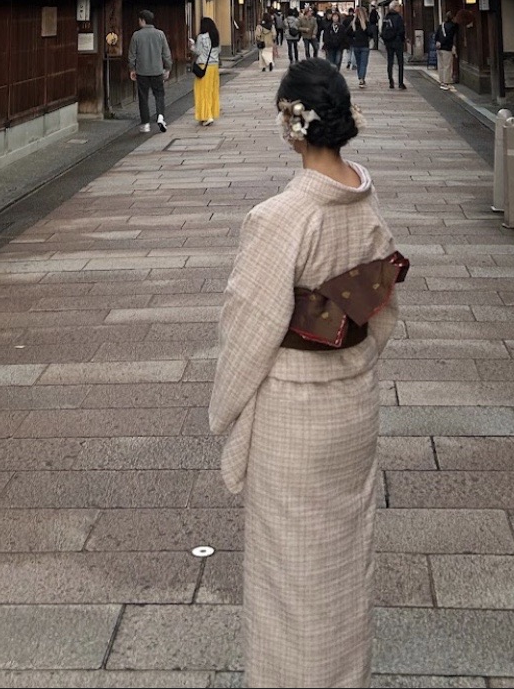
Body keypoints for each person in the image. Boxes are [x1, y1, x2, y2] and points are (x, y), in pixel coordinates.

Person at [209, 58, 403, 689]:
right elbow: (381, 313)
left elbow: (249, 325)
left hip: (294, 416)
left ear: (293, 125)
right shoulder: (365, 204)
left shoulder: (280, 218)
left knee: (288, 570)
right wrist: (356, 361)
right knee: (344, 557)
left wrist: (225, 410)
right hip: (352, 408)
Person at [128, 9, 171, 133]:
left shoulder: (136, 35)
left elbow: (132, 55)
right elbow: (166, 53)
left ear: (142, 20)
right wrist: (167, 67)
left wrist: (132, 68)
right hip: (157, 71)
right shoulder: (160, 34)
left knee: (143, 97)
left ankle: (145, 123)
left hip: (142, 72)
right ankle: (160, 117)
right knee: (159, 95)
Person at [190, 16, 222, 125]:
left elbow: (198, 51)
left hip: (204, 66)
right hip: (214, 66)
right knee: (212, 91)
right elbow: (219, 50)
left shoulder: (201, 37)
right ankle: (212, 113)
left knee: (202, 91)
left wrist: (192, 46)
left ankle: (206, 115)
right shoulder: (215, 36)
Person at [381, 2, 407, 90]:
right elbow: (401, 30)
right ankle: (400, 83)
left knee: (390, 62)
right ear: (395, 7)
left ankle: (391, 82)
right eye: (398, 6)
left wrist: (385, 40)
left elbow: (382, 30)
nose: (399, 8)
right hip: (397, 42)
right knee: (400, 63)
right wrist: (402, 40)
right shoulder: (398, 17)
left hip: (388, 42)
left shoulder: (386, 17)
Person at [351, 5, 374, 87]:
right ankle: (361, 79)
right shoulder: (366, 24)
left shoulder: (354, 24)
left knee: (359, 63)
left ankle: (361, 78)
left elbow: (348, 33)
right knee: (363, 63)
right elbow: (371, 34)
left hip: (357, 45)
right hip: (364, 45)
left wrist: (354, 32)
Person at [435, 11, 457, 91]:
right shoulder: (452, 26)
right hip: (446, 48)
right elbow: (449, 37)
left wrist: (437, 42)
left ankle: (441, 81)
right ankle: (446, 82)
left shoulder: (441, 25)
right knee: (447, 66)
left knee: (440, 65)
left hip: (439, 48)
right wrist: (443, 42)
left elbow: (436, 34)